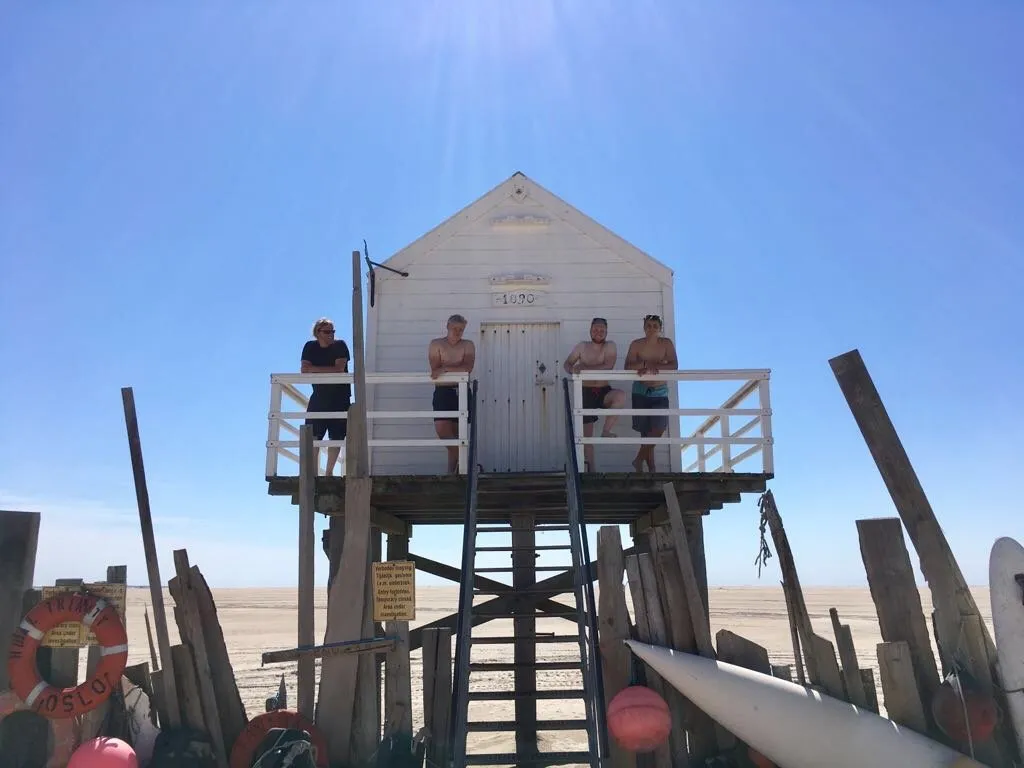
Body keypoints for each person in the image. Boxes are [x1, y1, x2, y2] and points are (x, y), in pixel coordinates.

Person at [563, 317, 626, 472]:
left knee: (620, 396)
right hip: (585, 392)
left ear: (606, 331)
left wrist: (583, 367)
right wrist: (573, 370)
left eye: (602, 329)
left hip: (603, 391)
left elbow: (608, 366)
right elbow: (567, 363)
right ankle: (592, 470)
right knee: (587, 438)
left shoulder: (610, 346)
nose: (598, 332)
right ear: (590, 330)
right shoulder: (582, 346)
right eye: (595, 329)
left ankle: (606, 431)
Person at [624, 314, 678, 473]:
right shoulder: (636, 344)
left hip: (659, 390)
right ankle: (651, 468)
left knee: (659, 427)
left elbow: (674, 365)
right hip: (640, 390)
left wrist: (657, 367)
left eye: (655, 325)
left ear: (660, 328)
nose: (652, 328)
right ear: (644, 328)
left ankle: (638, 459)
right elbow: (627, 366)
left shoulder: (666, 343)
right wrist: (645, 364)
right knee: (645, 431)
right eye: (648, 325)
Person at [300, 317, 351, 476]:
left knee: (336, 436)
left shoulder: (340, 345)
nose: (331, 334)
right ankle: (312, 474)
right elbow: (304, 369)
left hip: (340, 396)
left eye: (333, 331)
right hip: (319, 396)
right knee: (313, 435)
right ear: (318, 333)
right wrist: (324, 369)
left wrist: (314, 368)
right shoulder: (310, 347)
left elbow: (339, 369)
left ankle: (328, 472)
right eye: (327, 331)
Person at [428, 314, 476, 473]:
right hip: (443, 390)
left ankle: (452, 473)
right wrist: (446, 369)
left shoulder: (468, 345)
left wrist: (446, 368)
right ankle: (468, 464)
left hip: (461, 390)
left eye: (461, 330)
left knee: (457, 434)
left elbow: (467, 368)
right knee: (442, 429)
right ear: (447, 326)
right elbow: (435, 370)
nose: (457, 332)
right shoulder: (436, 344)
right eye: (455, 328)